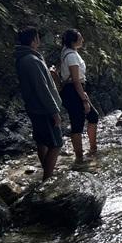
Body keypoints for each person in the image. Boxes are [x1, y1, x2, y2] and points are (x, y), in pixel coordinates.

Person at [14, 26, 63, 180]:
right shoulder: (32, 60)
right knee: (56, 144)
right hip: (43, 109)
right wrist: (54, 111)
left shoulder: (22, 58)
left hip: (33, 107)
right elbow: (42, 88)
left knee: (41, 141)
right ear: (33, 40)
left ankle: (46, 173)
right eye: (37, 37)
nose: (39, 40)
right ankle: (47, 179)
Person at [59, 29, 99, 166]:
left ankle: (92, 149)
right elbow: (76, 80)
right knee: (78, 123)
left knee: (92, 117)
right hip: (73, 90)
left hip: (74, 89)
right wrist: (84, 99)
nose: (82, 40)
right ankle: (80, 156)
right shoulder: (71, 56)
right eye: (80, 38)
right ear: (73, 41)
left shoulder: (67, 52)